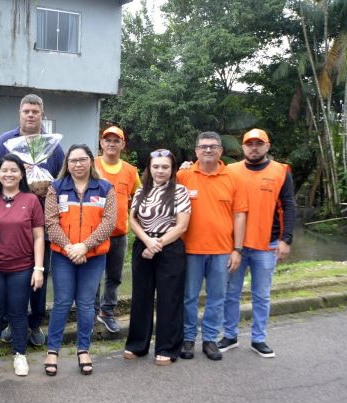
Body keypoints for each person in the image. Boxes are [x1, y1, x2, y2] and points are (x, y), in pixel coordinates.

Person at [0, 94, 64, 347]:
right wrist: (15, 172)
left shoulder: (52, 145)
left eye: (35, 112)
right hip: (8, 223)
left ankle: (35, 324)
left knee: (39, 273)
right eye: (26, 111)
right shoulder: (6, 141)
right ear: (19, 113)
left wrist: (45, 181)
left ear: (42, 115)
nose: (30, 115)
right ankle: (9, 322)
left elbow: (62, 178)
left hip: (42, 222)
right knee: (9, 274)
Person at [218, 129, 296, 358]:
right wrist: (183, 168)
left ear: (267, 146)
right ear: (242, 147)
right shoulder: (230, 171)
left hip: (267, 244)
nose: (254, 147)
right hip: (236, 246)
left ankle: (259, 338)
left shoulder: (281, 171)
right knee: (231, 292)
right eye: (249, 144)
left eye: (258, 144)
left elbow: (289, 206)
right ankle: (230, 335)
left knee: (261, 294)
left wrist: (286, 239)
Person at [43, 144, 117, 376]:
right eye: (73, 160)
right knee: (62, 303)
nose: (77, 164)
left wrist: (85, 246)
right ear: (67, 163)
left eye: (82, 159)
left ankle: (83, 349)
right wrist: (69, 247)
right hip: (63, 256)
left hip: (93, 257)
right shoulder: (56, 188)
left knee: (86, 304)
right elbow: (51, 222)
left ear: (90, 161)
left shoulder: (105, 188)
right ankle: (52, 351)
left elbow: (109, 222)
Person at [0, 154, 45, 377]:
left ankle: (20, 355)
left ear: (21, 174)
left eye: (13, 170)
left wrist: (38, 268)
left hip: (22, 267)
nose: (8, 174)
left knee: (18, 312)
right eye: (4, 170)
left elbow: (39, 237)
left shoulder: (31, 200)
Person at [177, 132, 247, 361]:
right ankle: (188, 338)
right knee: (189, 297)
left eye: (213, 146)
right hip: (190, 250)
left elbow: (239, 216)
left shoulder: (233, 178)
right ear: (196, 151)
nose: (208, 150)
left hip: (222, 251)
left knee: (217, 296)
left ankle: (209, 339)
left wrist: (238, 249)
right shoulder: (183, 176)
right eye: (203, 146)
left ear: (220, 151)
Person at [123, 149, 191, 365]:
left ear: (172, 170)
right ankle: (137, 344)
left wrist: (157, 244)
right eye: (156, 167)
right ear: (149, 169)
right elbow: (132, 220)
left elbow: (181, 226)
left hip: (169, 248)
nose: (160, 171)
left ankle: (168, 347)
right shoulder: (142, 190)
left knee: (169, 297)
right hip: (143, 245)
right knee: (141, 296)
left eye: (165, 167)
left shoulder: (180, 191)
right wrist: (147, 241)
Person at [93, 126, 141, 334]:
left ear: (123, 144)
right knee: (91, 276)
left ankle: (107, 312)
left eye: (116, 140)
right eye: (108, 140)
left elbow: (139, 198)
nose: (111, 144)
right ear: (101, 143)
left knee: (114, 276)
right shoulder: (91, 165)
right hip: (92, 234)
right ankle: (90, 311)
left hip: (119, 234)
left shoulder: (130, 171)